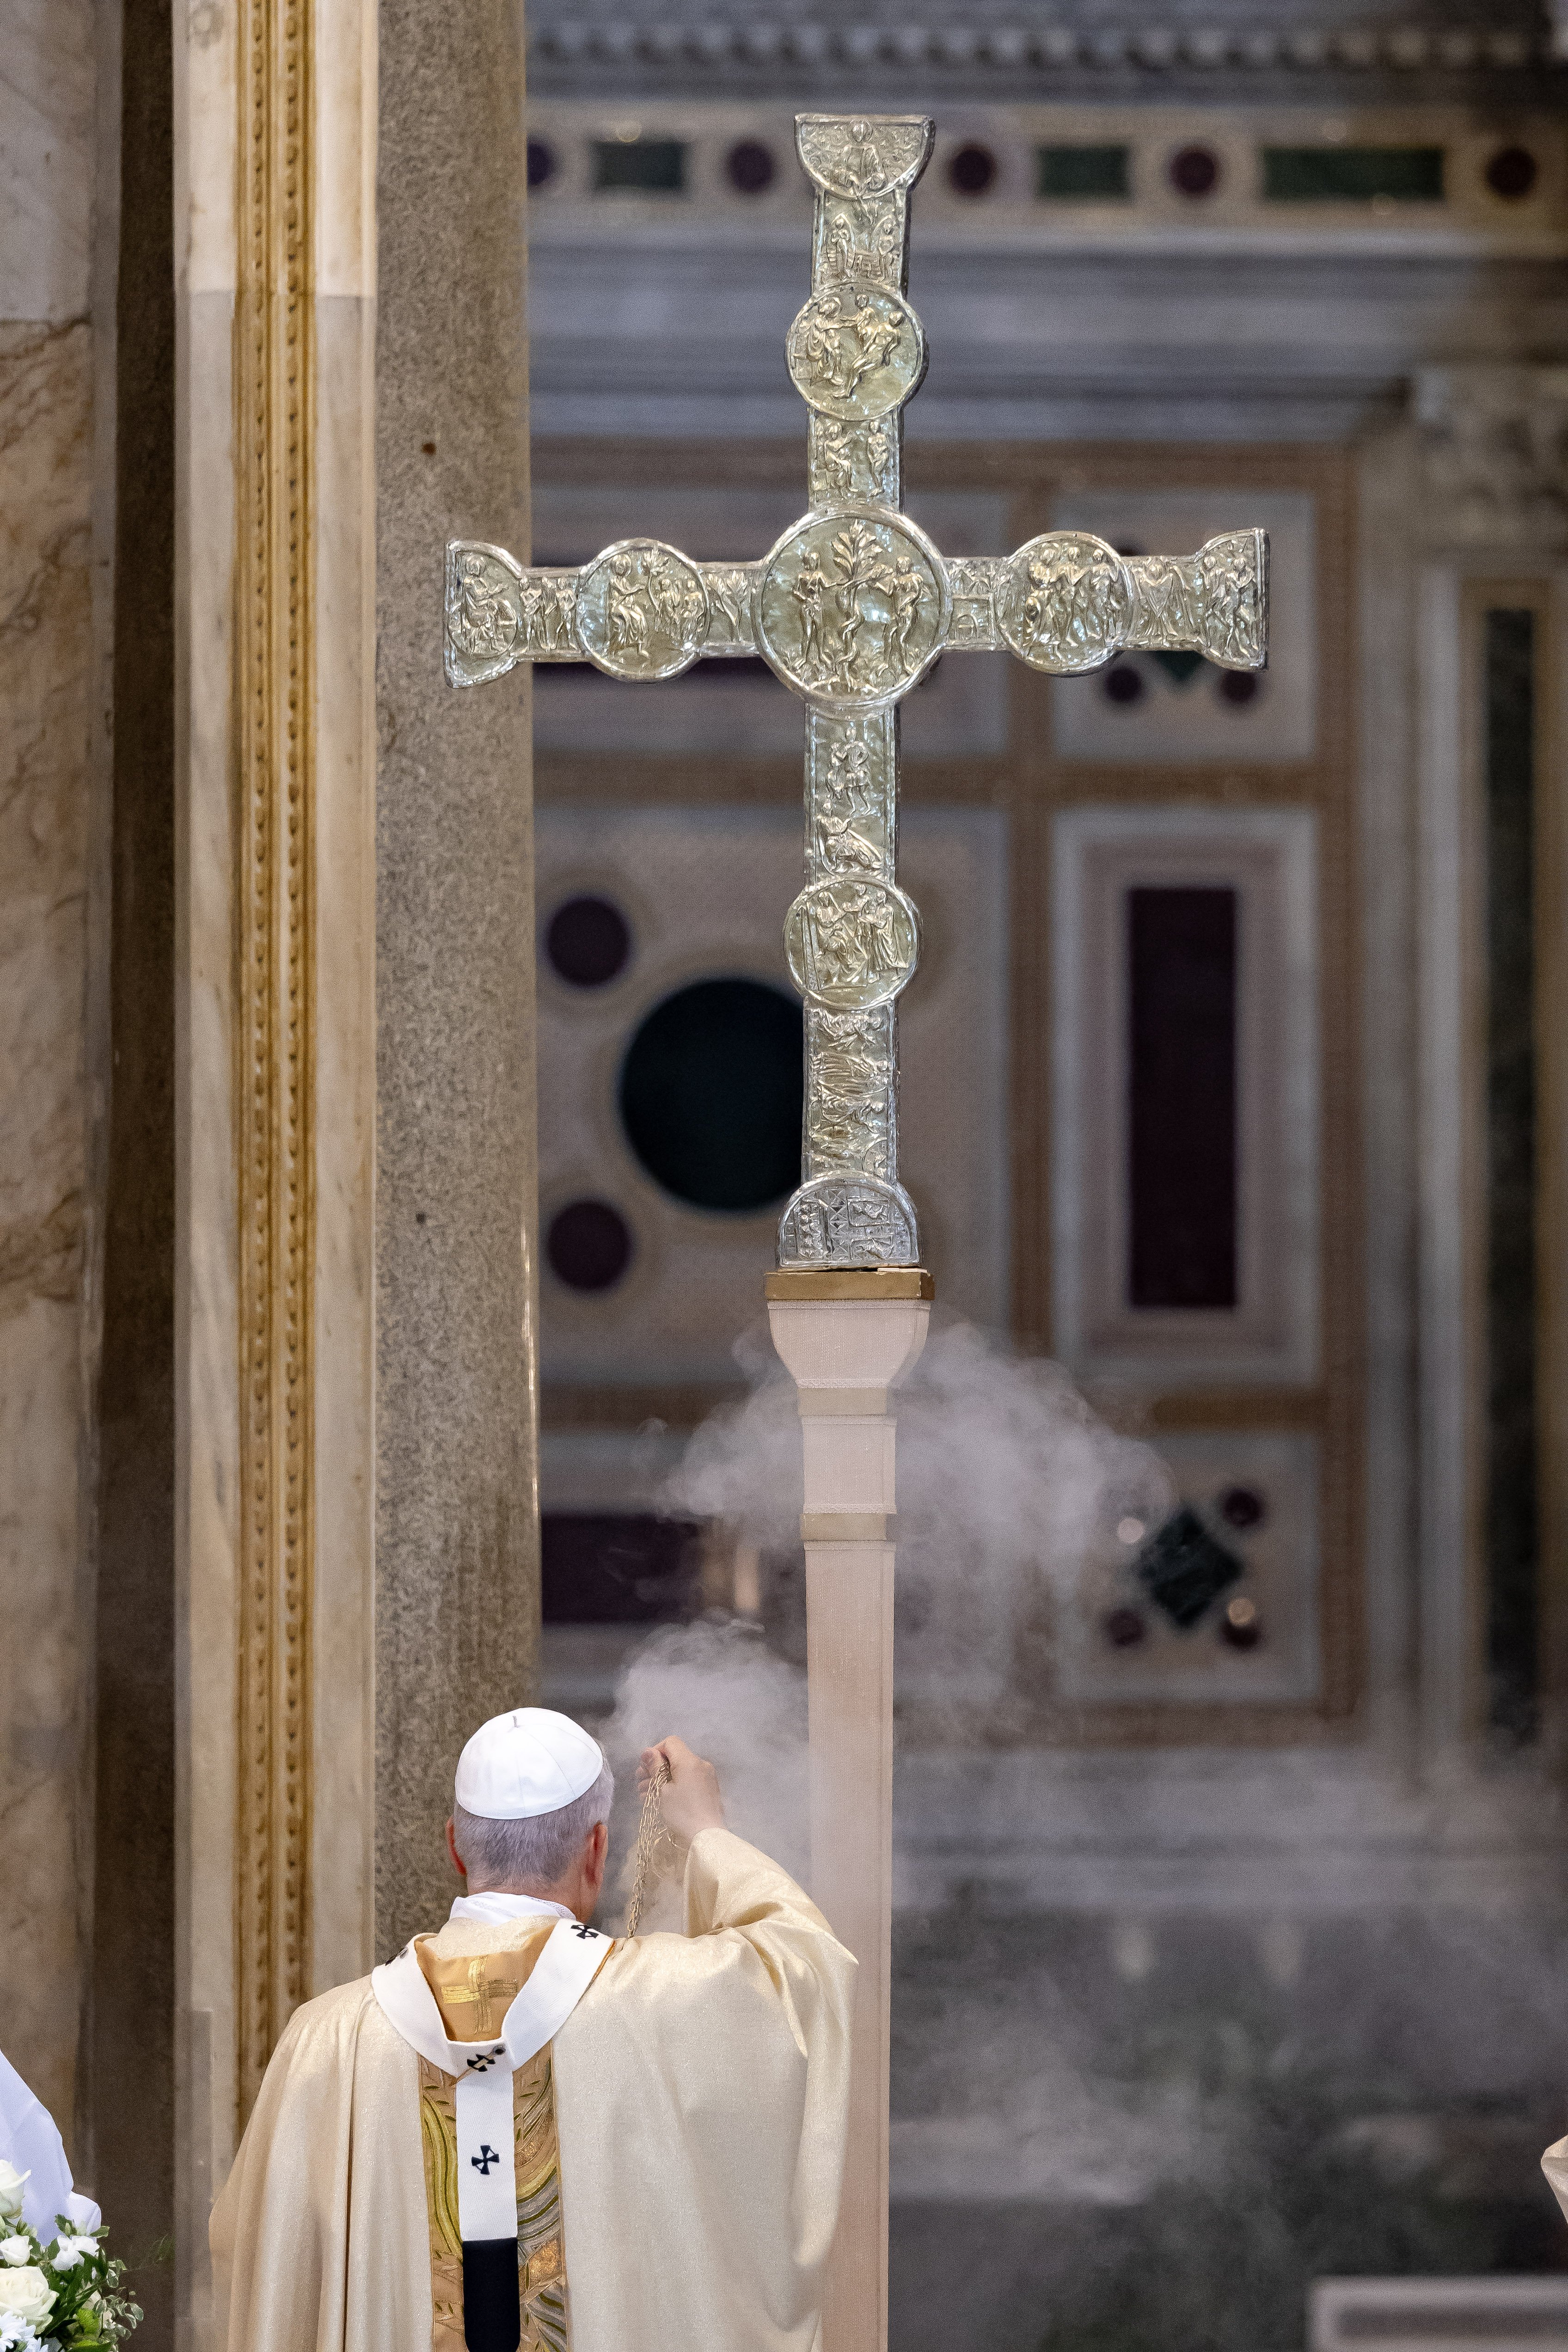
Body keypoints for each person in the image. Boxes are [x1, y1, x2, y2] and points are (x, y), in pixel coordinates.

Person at [211, 1709, 854, 2352]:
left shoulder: (326, 2041)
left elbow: (261, 2257)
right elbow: (804, 1969)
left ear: (454, 1846)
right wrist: (706, 1831)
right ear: (597, 1849)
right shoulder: (665, 1999)